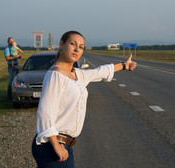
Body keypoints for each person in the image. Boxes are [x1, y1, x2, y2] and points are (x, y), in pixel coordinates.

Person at [32, 31, 137, 168]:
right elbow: (45, 113)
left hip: (64, 144)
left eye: (81, 47)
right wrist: (56, 146)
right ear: (62, 44)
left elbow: (100, 71)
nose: (77, 49)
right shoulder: (55, 75)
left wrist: (123, 65)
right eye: (73, 44)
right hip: (52, 146)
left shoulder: (77, 74)